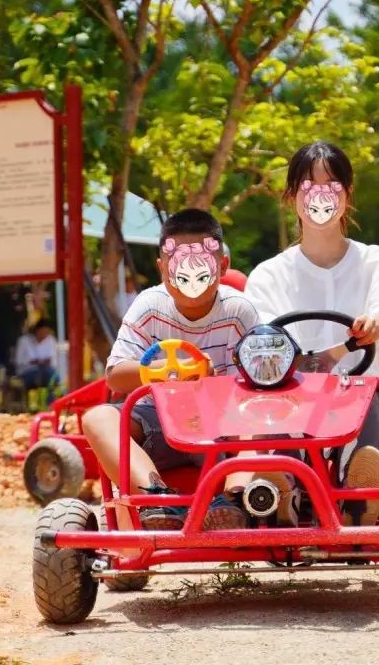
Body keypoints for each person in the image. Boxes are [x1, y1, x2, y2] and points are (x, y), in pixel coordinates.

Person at [243, 141, 379, 526]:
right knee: (280, 401)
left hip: (365, 387)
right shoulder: (269, 275)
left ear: (347, 195)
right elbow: (262, 338)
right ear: (292, 196)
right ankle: (282, 492)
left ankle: (361, 497)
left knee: (371, 393)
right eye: (309, 186)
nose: (320, 196)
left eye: (332, 186)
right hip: (293, 395)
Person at [82, 208, 261, 531]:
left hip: (221, 426)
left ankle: (233, 500)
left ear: (221, 267)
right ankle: (155, 498)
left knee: (259, 419)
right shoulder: (150, 306)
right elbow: (116, 374)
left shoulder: (239, 311)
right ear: (163, 268)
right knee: (97, 417)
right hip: (160, 424)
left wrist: (215, 381)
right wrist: (160, 371)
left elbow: (258, 382)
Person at [15, 318, 58, 389]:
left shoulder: (51, 340)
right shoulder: (24, 341)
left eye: (46, 333)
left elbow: (53, 360)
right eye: (42, 332)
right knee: (41, 377)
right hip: (28, 372)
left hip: (47, 371)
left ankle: (51, 399)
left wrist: (43, 362)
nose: (44, 335)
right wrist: (31, 362)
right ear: (37, 330)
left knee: (52, 377)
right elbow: (18, 360)